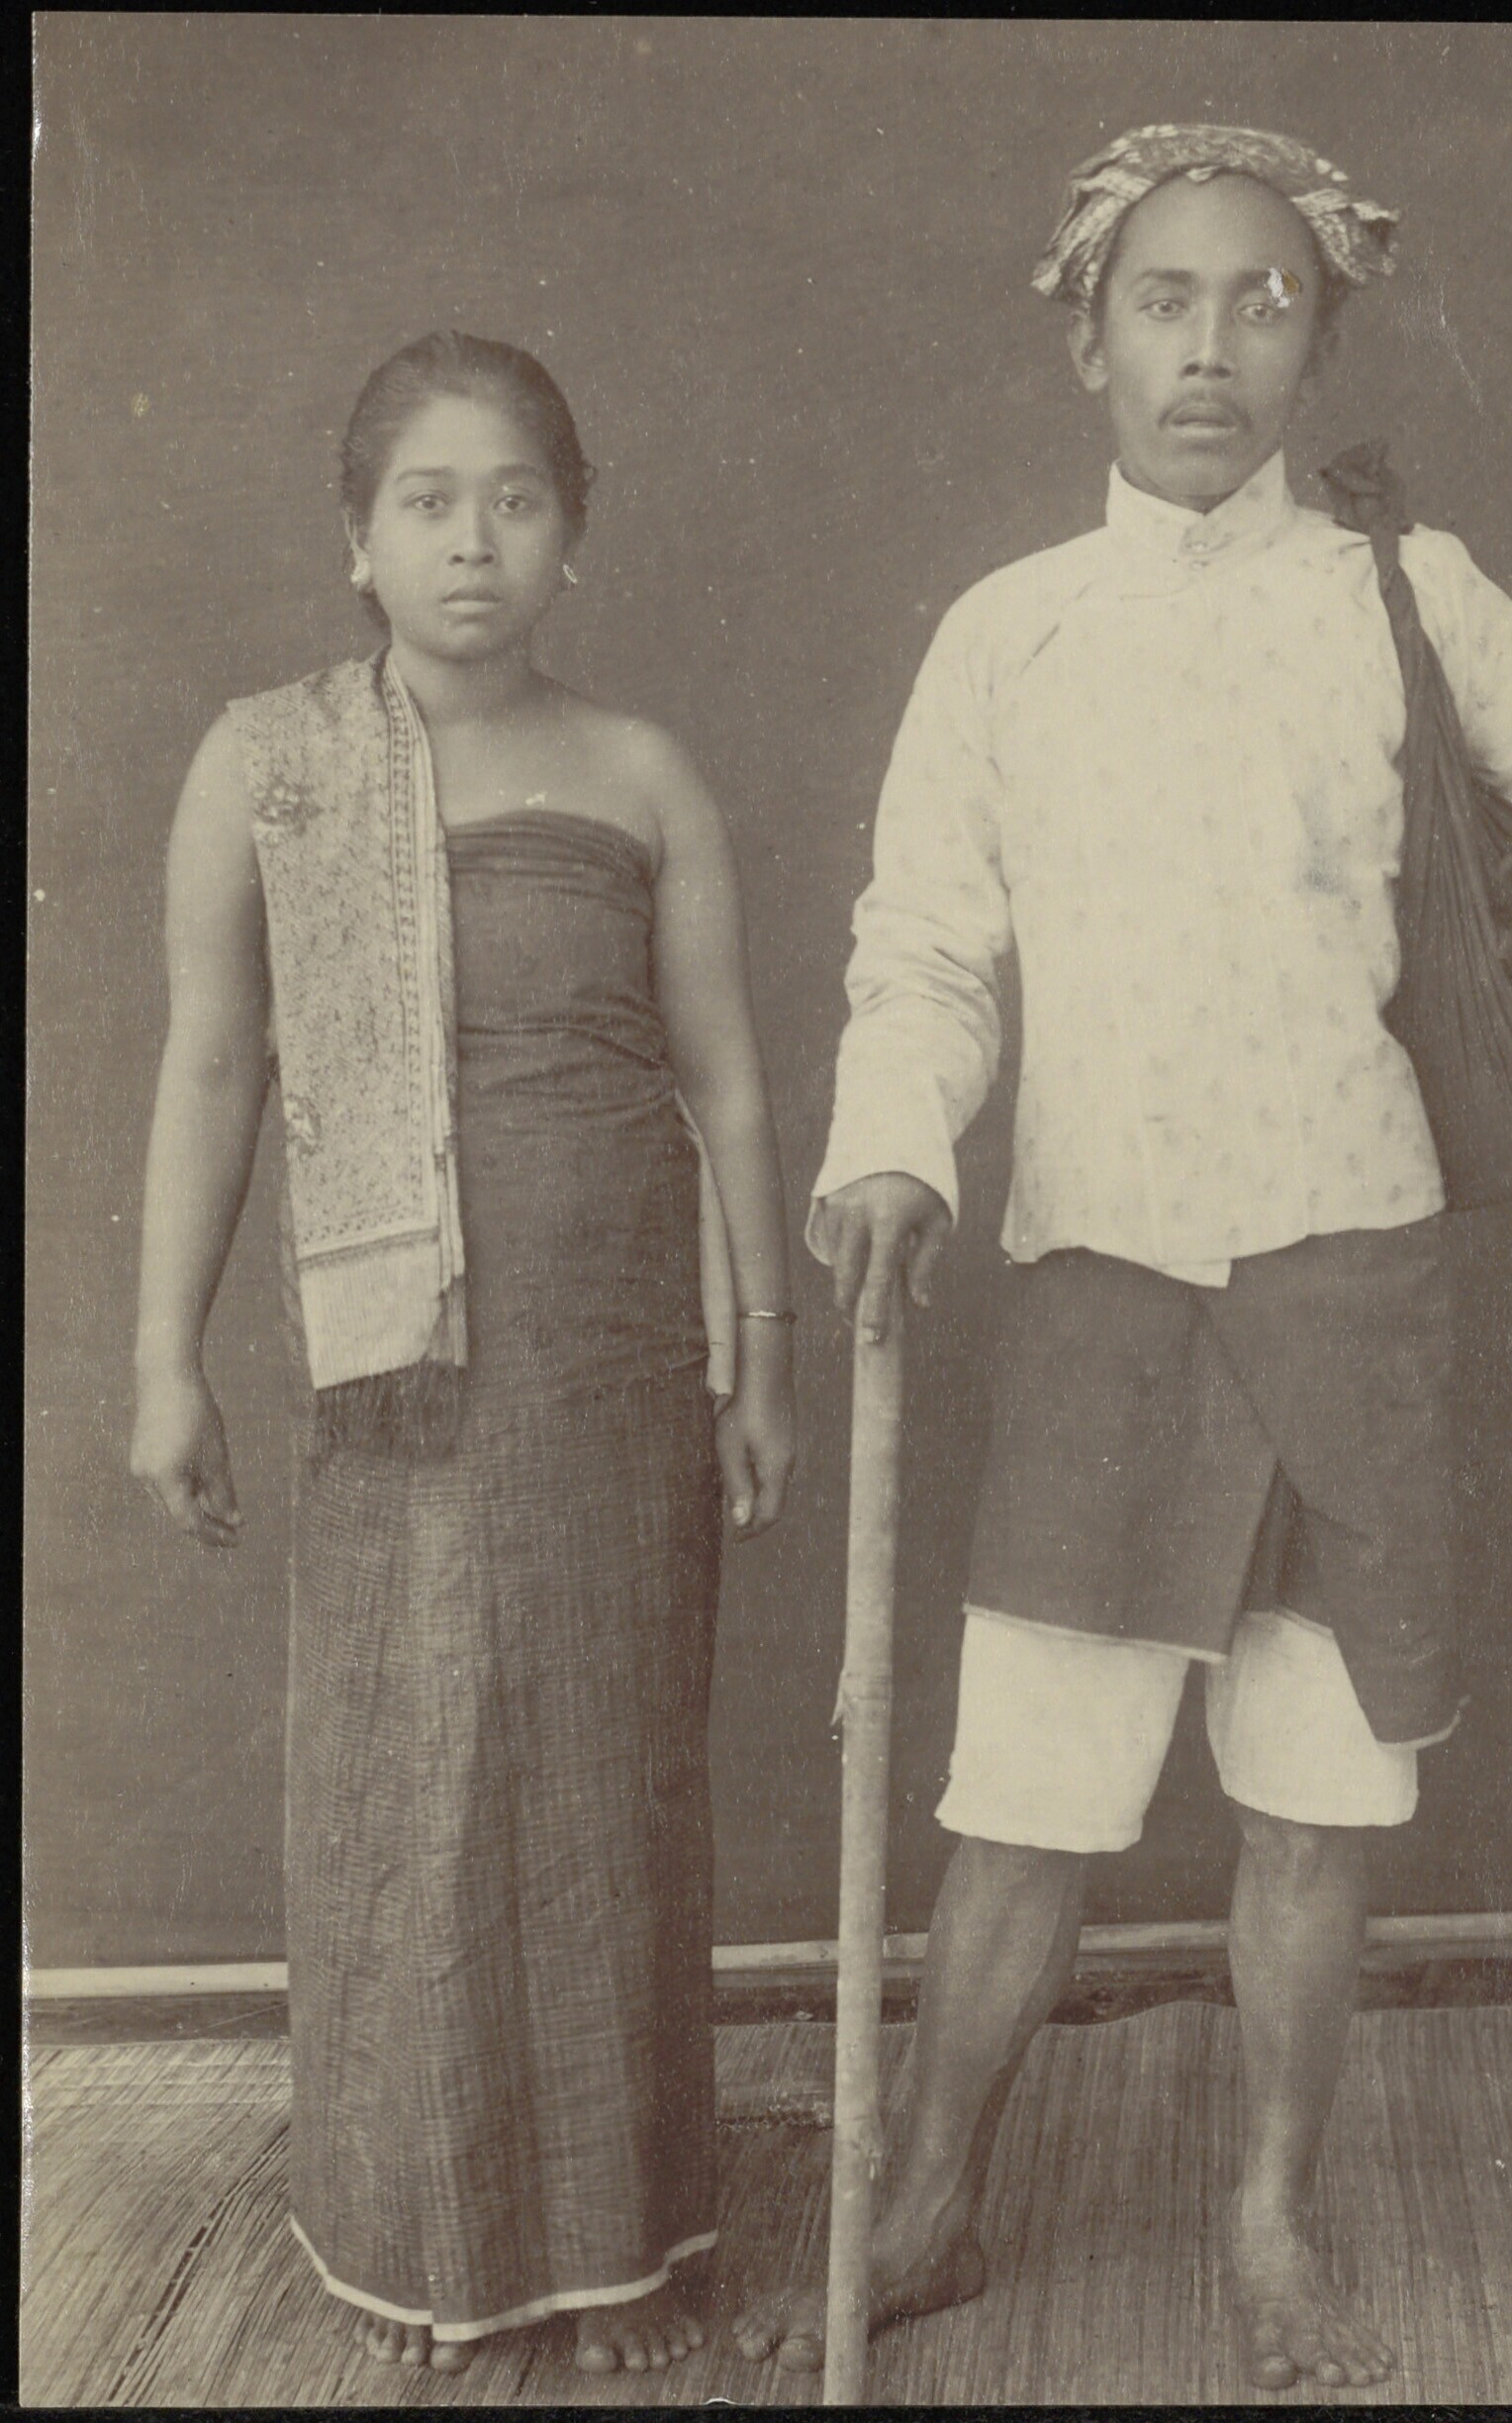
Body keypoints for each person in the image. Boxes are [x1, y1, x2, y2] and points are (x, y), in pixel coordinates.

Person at [735, 125, 1512, 2392]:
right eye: (1166, 301)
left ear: (1322, 340)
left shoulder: (1409, 596)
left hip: (1351, 1283)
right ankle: (925, 2199)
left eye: (1264, 301)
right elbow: (926, 945)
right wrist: (893, 1148)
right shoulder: (1009, 632)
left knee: (1315, 1798)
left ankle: (1276, 2219)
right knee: (1024, 1809)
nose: (1212, 348)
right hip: (1105, 1286)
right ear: (1088, 339)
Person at [130, 332, 797, 2375]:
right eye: (427, 502)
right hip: (393, 1365)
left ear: (574, 533)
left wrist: (762, 1355)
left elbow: (728, 1085)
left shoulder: (642, 774)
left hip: (616, 1368)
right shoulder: (273, 767)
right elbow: (214, 1066)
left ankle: (615, 2251)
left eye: (516, 499)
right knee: (414, 1791)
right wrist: (162, 1359)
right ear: (358, 538)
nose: (473, 542)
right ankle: (437, 2248)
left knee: (604, 1784)